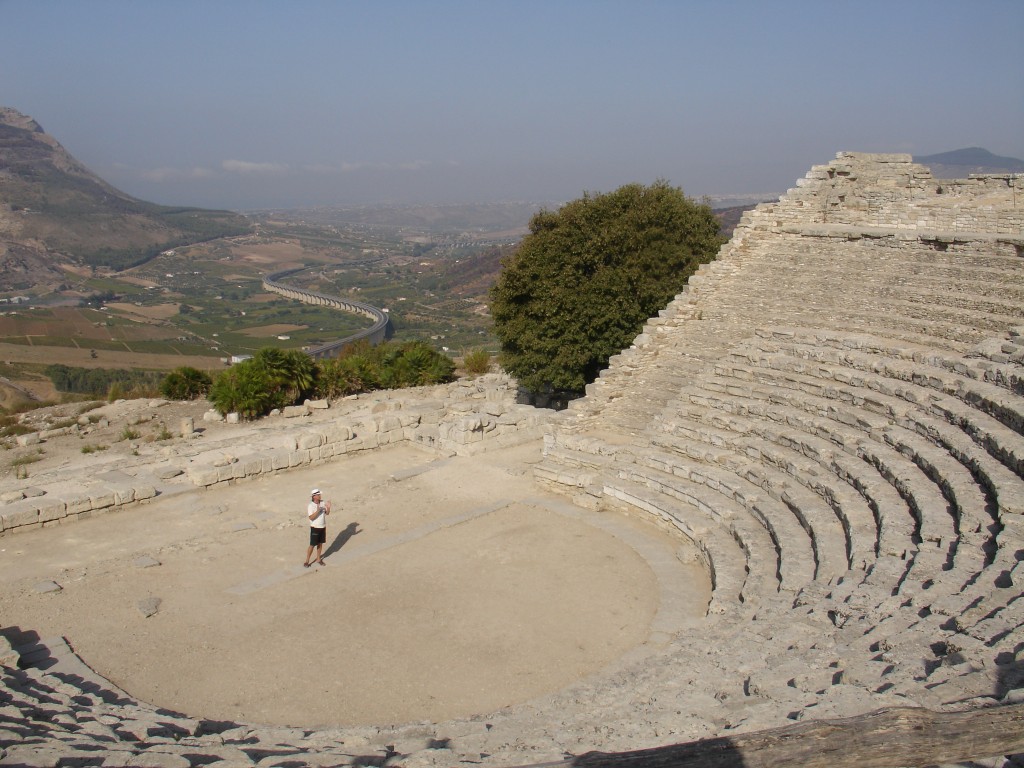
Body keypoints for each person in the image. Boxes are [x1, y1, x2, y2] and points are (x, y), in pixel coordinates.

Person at [303, 488, 331, 567]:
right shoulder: (310, 506)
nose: (320, 496)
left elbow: (327, 513)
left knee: (320, 544)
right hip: (315, 527)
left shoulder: (322, 502)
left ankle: (318, 559)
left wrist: (328, 508)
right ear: (314, 496)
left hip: (323, 526)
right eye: (319, 495)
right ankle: (307, 561)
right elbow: (311, 517)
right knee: (312, 544)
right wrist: (318, 511)